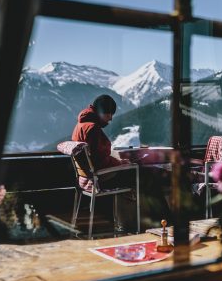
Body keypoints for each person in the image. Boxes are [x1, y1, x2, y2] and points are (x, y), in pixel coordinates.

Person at [72, 95, 169, 232]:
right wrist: (121, 164)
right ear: (102, 112)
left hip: (87, 178)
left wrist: (119, 163)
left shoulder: (80, 126)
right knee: (148, 176)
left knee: (143, 174)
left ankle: (157, 221)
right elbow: (101, 162)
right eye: (109, 114)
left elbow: (96, 158)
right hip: (101, 179)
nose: (111, 118)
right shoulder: (93, 129)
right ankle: (165, 221)